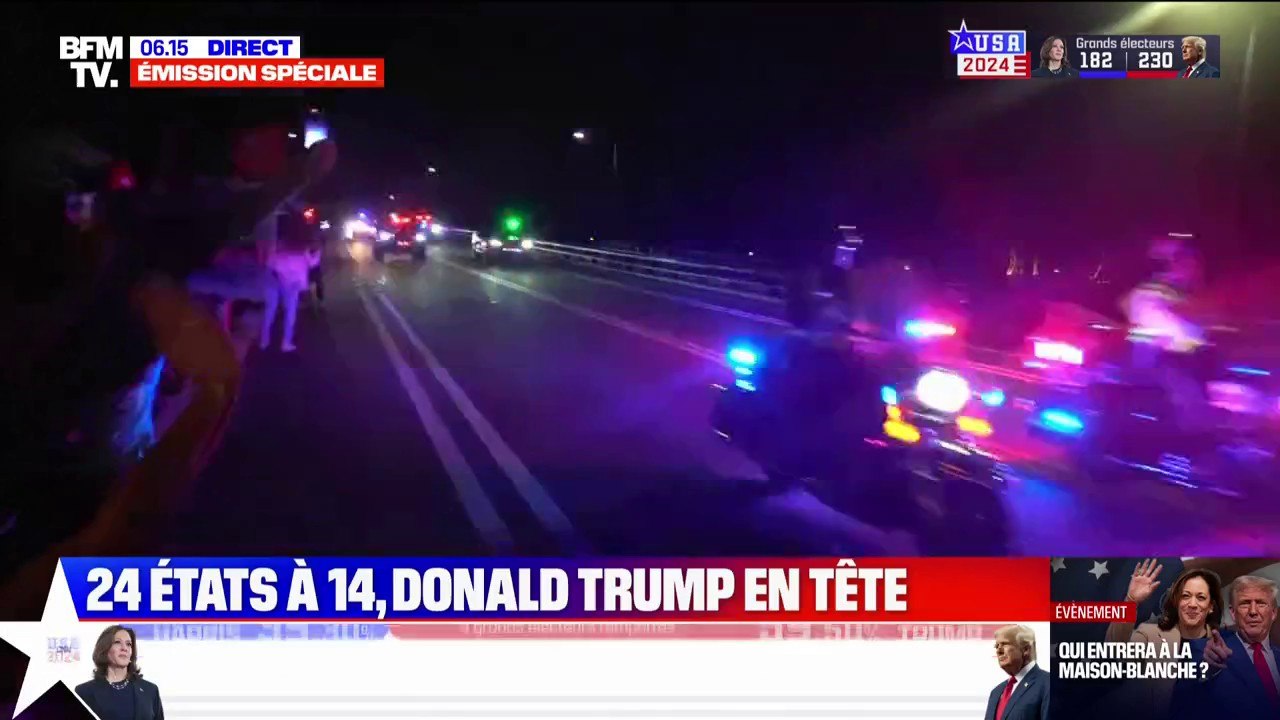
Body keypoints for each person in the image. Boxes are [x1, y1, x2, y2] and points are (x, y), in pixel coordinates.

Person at [1104, 560, 1224, 720]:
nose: (1192, 604)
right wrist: (1131, 600)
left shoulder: (1225, 644)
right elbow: (1115, 651)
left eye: (1201, 597)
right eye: (1186, 596)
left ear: (1210, 606)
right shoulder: (1151, 635)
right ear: (1176, 602)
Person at [1197, 575, 1280, 719]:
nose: (1253, 611)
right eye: (1245, 603)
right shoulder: (1207, 650)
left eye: (1261, 603)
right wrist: (1208, 671)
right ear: (1233, 613)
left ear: (1273, 613)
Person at [74, 625, 165, 720]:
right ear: (104, 649)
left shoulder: (150, 691)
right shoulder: (84, 693)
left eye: (128, 644)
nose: (124, 648)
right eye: (117, 642)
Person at [262, 218, 322, 352]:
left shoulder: (280, 244)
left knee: (270, 310)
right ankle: (285, 343)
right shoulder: (302, 248)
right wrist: (318, 253)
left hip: (276, 280)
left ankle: (264, 340)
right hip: (293, 284)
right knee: (290, 313)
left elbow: (269, 263)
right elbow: (312, 263)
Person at [984, 625, 1050, 720]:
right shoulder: (995, 693)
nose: (998, 651)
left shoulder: (1049, 684)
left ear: (1026, 649)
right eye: (997, 646)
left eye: (1005, 644)